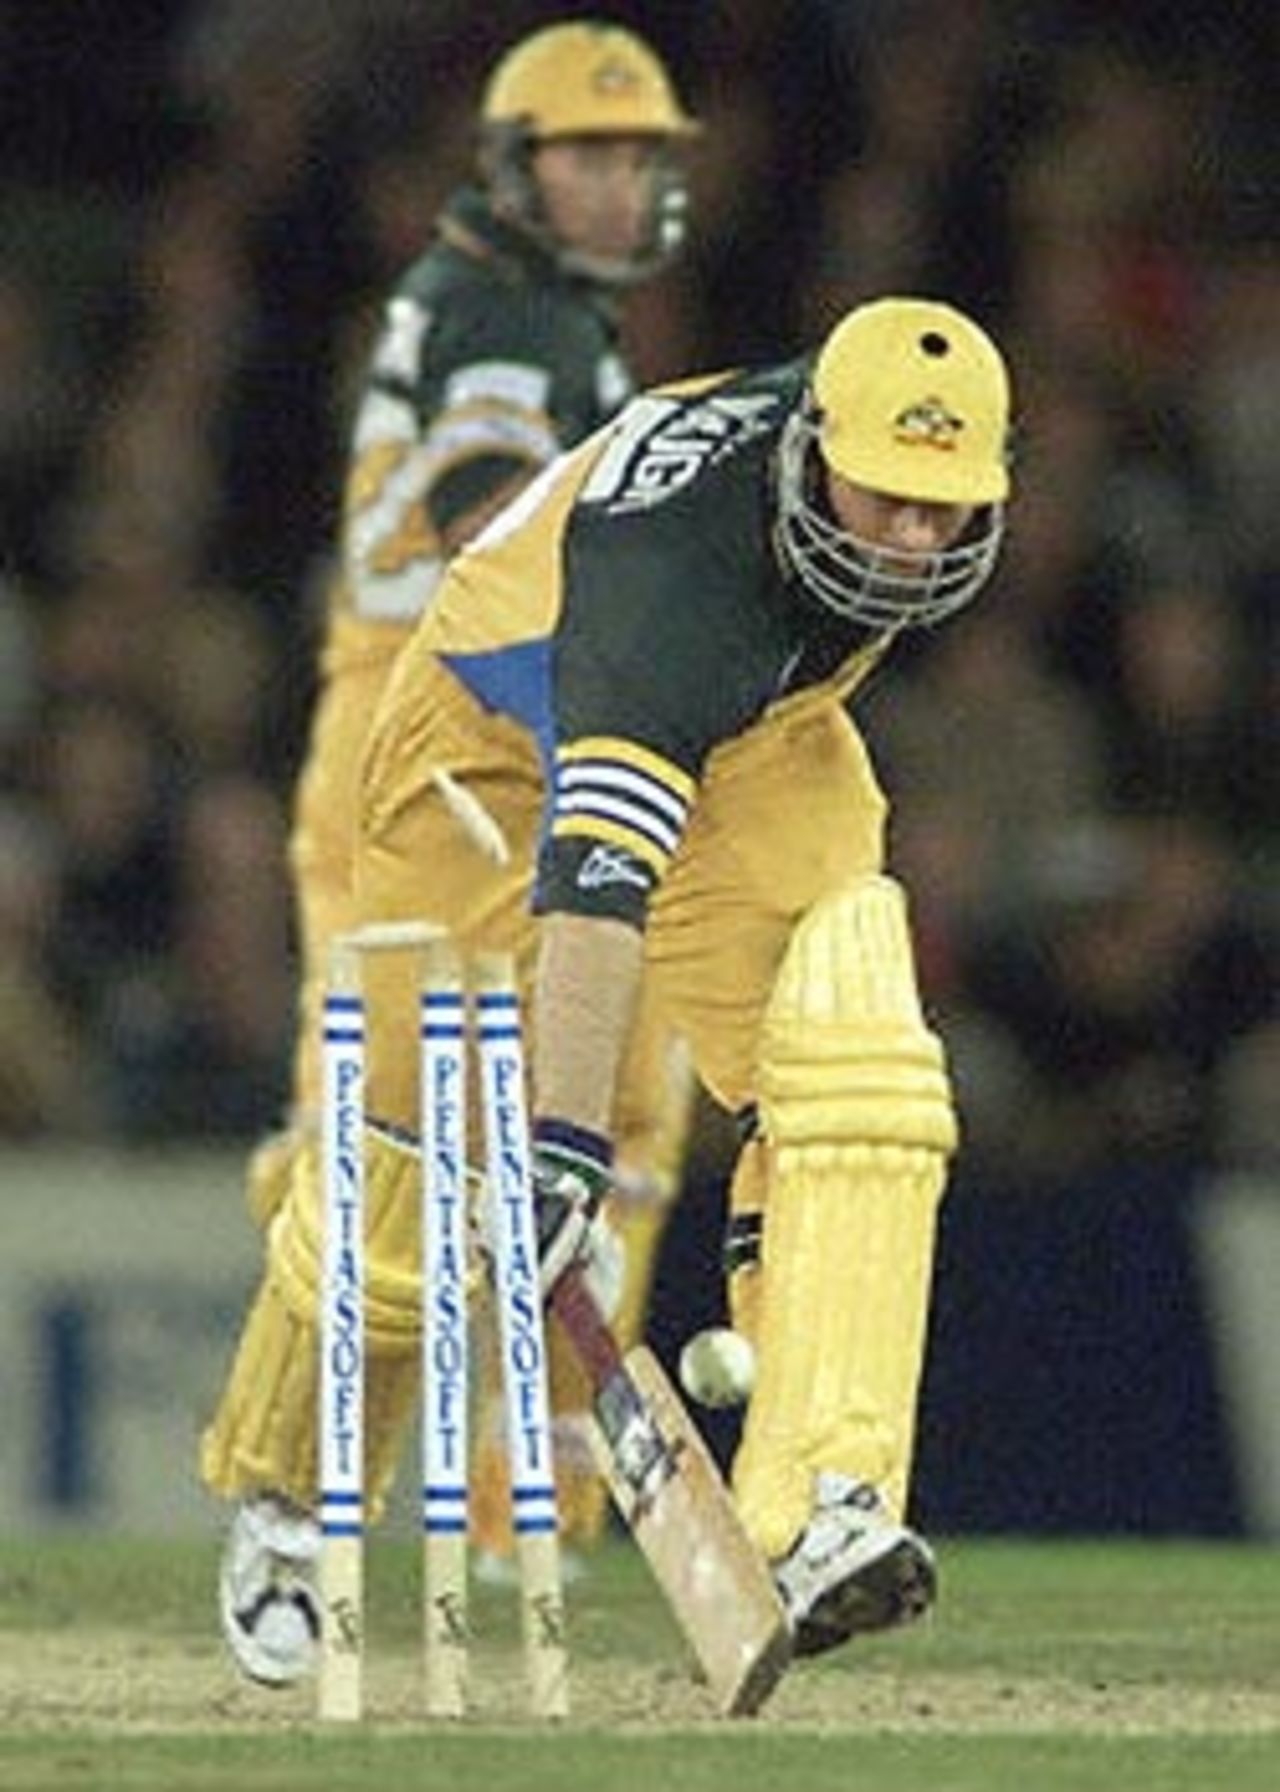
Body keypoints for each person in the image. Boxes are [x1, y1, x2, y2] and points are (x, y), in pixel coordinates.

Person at [208, 292, 1014, 1674]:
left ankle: (829, 1501)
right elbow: (595, 895)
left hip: (755, 738)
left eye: (945, 508)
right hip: (485, 744)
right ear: (816, 443)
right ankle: (287, 1490)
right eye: (888, 500)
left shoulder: (857, 431)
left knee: (855, 1059)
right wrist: (561, 1155)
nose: (913, 541)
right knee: (408, 1160)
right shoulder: (671, 590)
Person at [201, 19, 698, 1683]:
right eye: (594, 153)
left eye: (642, 157)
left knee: (612, 1114)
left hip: (510, 731)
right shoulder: (499, 308)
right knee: (398, 1122)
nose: (626, 183)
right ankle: (282, 1497)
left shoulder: (557, 313)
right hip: (426, 741)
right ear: (512, 163)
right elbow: (487, 497)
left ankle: (516, 1509)